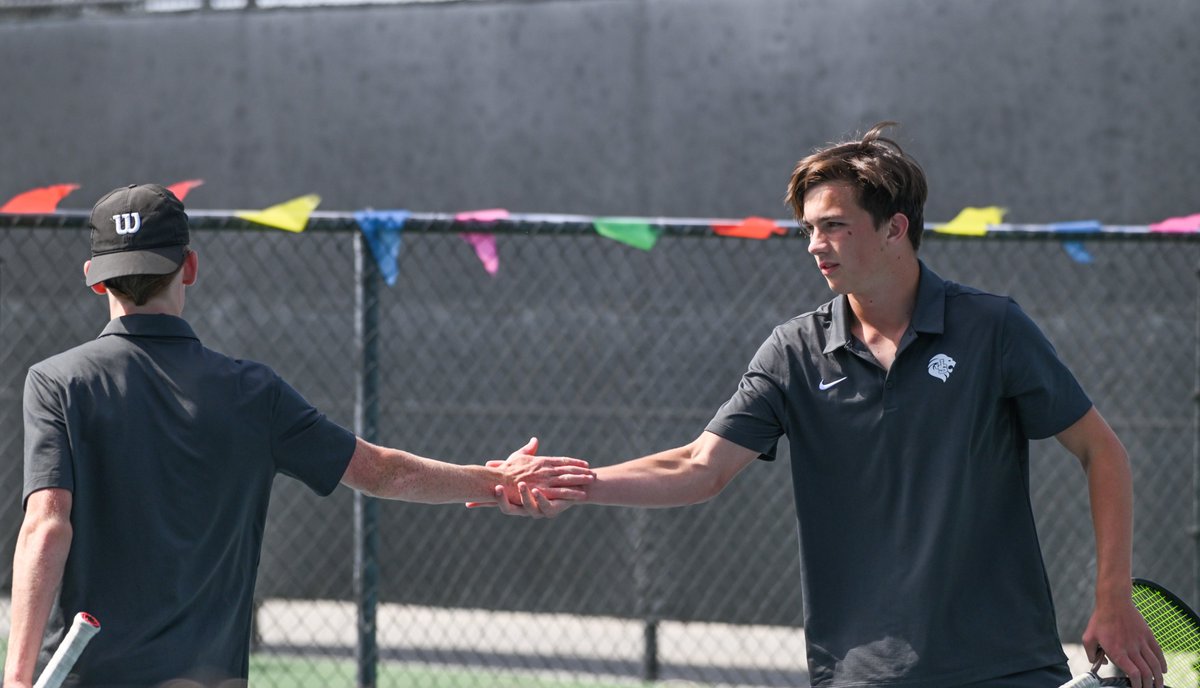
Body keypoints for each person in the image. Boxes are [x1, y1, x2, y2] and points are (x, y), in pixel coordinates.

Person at [478, 123, 1167, 688]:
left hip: (1006, 668)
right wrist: (582, 482)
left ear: (895, 228)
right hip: (859, 674)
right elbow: (697, 465)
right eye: (808, 228)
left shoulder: (993, 330)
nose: (814, 245)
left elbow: (1101, 451)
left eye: (833, 226)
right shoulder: (793, 351)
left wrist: (1113, 600)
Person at [3, 183, 595, 688]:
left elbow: (47, 525)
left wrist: (18, 677)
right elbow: (385, 471)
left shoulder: (56, 383)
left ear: (92, 278)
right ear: (189, 266)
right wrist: (496, 480)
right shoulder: (252, 392)